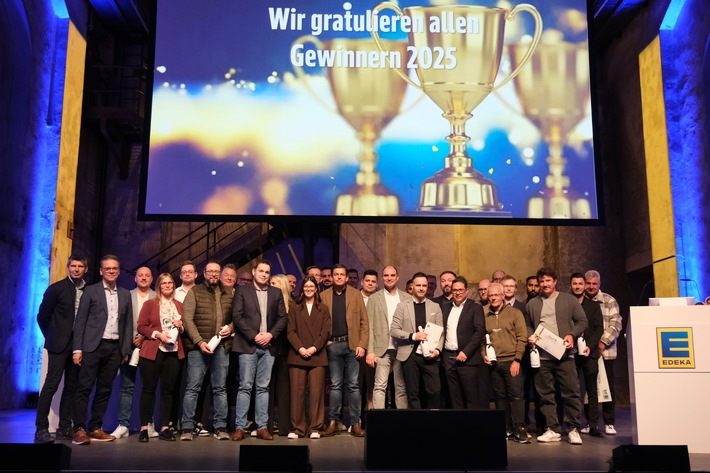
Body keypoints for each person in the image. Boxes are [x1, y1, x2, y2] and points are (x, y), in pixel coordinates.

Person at [72, 254, 133, 445]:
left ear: (119, 271)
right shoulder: (91, 291)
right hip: (92, 347)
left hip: (114, 348)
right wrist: (77, 349)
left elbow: (128, 324)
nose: (111, 271)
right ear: (101, 271)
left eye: (114, 268)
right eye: (107, 268)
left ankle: (95, 427)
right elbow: (80, 321)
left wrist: (125, 350)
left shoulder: (125, 294)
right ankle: (79, 428)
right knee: (84, 387)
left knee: (105, 389)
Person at [525, 267, 587, 445]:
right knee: (545, 395)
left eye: (548, 281)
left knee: (571, 393)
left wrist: (572, 334)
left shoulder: (569, 300)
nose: (544, 284)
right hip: (542, 357)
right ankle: (552, 429)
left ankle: (573, 429)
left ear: (555, 282)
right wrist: (531, 337)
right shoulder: (532, 304)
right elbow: (528, 325)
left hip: (565, 355)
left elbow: (582, 321)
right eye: (541, 281)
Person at [231, 259, 287, 441]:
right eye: (261, 271)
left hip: (269, 347)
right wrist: (255, 336)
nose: (264, 274)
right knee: (245, 387)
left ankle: (262, 426)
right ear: (254, 272)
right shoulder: (242, 291)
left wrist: (270, 335)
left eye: (267, 272)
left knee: (263, 387)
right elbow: (237, 317)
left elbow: (282, 318)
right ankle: (240, 427)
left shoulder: (276, 292)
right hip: (248, 345)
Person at [35, 256, 87, 444]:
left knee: (72, 386)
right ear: (68, 267)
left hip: (78, 346)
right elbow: (42, 317)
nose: (76, 269)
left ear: (86, 269)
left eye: (80, 266)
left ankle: (64, 427)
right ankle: (41, 428)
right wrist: (52, 336)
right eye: (73, 266)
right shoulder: (56, 288)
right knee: (51, 384)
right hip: (58, 345)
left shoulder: (88, 290)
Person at [180, 261, 233, 441]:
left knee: (220, 389)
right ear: (204, 273)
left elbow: (236, 318)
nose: (213, 274)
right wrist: (199, 342)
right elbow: (187, 320)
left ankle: (220, 427)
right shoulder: (195, 292)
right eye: (210, 271)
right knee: (192, 388)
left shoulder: (228, 293)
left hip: (221, 347)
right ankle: (187, 427)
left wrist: (231, 328)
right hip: (198, 349)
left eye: (217, 271)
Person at [136, 273, 185, 442]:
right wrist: (157, 334)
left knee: (168, 391)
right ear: (158, 286)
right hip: (153, 351)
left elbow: (183, 329)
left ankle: (165, 427)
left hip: (173, 353)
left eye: (170, 282)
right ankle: (144, 428)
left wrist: (181, 326)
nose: (167, 285)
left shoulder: (179, 305)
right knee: (148, 390)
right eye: (164, 283)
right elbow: (141, 326)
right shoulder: (150, 304)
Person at [321, 264, 369, 437]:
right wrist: (325, 341)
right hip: (333, 345)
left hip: (352, 345)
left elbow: (364, 322)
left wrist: (362, 345)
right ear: (332, 277)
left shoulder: (356, 295)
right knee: (335, 385)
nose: (339, 277)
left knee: (354, 385)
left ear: (347, 278)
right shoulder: (324, 295)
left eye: (342, 274)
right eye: (336, 274)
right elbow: (320, 321)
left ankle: (356, 423)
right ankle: (333, 422)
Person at [112, 266, 155, 439]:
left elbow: (159, 323)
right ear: (135, 278)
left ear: (152, 279)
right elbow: (120, 322)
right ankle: (123, 425)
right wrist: (132, 340)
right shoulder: (126, 296)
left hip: (150, 346)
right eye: (140, 275)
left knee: (148, 388)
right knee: (126, 387)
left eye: (147, 275)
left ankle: (148, 424)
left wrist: (144, 337)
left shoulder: (157, 297)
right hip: (128, 347)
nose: (143, 278)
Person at [390, 272, 444, 409]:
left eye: (424, 285)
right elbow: (394, 330)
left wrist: (437, 350)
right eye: (418, 285)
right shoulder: (402, 306)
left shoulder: (435, 307)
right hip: (409, 355)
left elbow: (441, 332)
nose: (421, 288)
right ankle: (417, 421)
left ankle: (433, 420)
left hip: (430, 354)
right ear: (412, 286)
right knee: (412, 393)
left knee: (435, 390)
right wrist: (414, 336)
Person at [286, 276, 331, 439]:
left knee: (316, 393)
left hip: (317, 355)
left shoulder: (323, 308)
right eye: (306, 286)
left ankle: (315, 428)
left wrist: (313, 348)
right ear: (302, 288)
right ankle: (298, 428)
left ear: (316, 288)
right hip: (298, 355)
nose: (309, 289)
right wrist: (301, 348)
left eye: (312, 286)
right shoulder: (294, 307)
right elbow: (290, 331)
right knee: (296, 394)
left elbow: (326, 332)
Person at [483, 283, 529, 443]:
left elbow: (522, 338)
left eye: (496, 295)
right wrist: (484, 355)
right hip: (494, 363)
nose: (493, 298)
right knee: (500, 396)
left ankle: (520, 428)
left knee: (516, 396)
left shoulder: (515, 313)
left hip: (511, 361)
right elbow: (481, 338)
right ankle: (506, 427)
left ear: (503, 296)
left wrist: (517, 360)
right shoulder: (484, 313)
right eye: (490, 295)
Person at [584, 269, 623, 435]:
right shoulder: (580, 301)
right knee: (588, 388)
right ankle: (589, 422)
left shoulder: (609, 300)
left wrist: (602, 343)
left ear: (599, 284)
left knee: (607, 388)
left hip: (605, 352)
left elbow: (616, 324)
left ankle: (609, 422)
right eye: (588, 283)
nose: (591, 286)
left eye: (594, 283)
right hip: (587, 352)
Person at [366, 265, 410, 410]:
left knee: (401, 387)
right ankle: (379, 420)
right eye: (386, 275)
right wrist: (370, 351)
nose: (389, 278)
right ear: (382, 278)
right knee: (379, 386)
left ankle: (403, 420)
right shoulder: (374, 298)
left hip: (402, 348)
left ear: (397, 278)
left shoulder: (407, 297)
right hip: (381, 348)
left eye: (392, 275)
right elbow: (370, 326)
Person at [442, 276, 485, 409]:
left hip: (468, 359)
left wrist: (466, 352)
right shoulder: (445, 308)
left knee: (471, 397)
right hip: (449, 358)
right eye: (455, 290)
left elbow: (479, 332)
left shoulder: (475, 307)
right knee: (455, 398)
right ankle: (458, 423)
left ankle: (473, 423)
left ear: (466, 291)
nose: (458, 293)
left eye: (460, 290)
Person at [569, 273, 604, 438]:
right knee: (573, 389)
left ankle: (593, 425)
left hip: (590, 353)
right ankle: (573, 424)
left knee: (592, 390)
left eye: (580, 283)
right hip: (571, 352)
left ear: (584, 285)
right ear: (570, 285)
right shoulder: (566, 304)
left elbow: (599, 328)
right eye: (574, 283)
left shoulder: (594, 305)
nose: (577, 286)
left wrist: (589, 346)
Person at [268, 274, 294, 437]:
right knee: (267, 389)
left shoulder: (292, 304)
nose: (270, 285)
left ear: (282, 286)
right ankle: (268, 426)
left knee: (284, 390)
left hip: (286, 351)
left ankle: (285, 426)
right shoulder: (267, 303)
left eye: (274, 283)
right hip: (268, 350)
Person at [358, 269, 378, 411]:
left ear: (377, 284)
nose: (370, 284)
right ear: (362, 282)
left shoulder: (380, 299)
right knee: (357, 384)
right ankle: (357, 418)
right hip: (357, 347)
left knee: (373, 385)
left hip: (375, 348)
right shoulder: (354, 297)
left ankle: (372, 416)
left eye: (373, 281)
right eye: (367, 281)